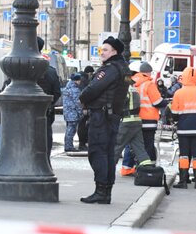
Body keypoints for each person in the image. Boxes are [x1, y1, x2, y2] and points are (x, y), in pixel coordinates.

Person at [78, 37, 130, 204]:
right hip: (112, 115)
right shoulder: (124, 68)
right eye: (101, 49)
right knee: (107, 153)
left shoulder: (110, 69)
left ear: (114, 52)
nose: (102, 52)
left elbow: (93, 88)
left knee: (97, 152)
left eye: (105, 50)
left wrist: (82, 97)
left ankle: (101, 191)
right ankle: (106, 191)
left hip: (101, 116)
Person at [171, 66, 196, 189]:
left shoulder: (178, 92)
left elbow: (174, 113)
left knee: (184, 155)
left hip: (183, 129)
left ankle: (183, 180)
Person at [114, 70, 156, 178]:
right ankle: (147, 170)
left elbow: (119, 105)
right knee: (139, 148)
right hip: (137, 121)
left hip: (127, 121)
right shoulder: (135, 90)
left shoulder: (124, 91)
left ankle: (108, 169)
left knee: (117, 146)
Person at [36, 37, 62, 158]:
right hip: (45, 112)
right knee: (45, 138)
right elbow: (57, 91)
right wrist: (49, 104)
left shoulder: (20, 66)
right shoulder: (50, 70)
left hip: (23, 113)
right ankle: (45, 162)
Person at [136, 61, 163, 163]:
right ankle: (149, 167)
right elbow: (157, 102)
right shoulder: (149, 84)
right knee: (149, 144)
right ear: (148, 72)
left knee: (139, 145)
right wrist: (166, 103)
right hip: (149, 120)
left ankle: (139, 165)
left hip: (136, 119)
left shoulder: (134, 83)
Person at [60, 71, 82, 153]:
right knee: (71, 130)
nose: (80, 82)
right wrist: (81, 113)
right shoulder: (75, 90)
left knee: (69, 129)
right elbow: (78, 103)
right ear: (76, 80)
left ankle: (68, 145)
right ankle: (69, 146)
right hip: (73, 113)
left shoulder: (66, 88)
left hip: (67, 112)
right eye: (79, 80)